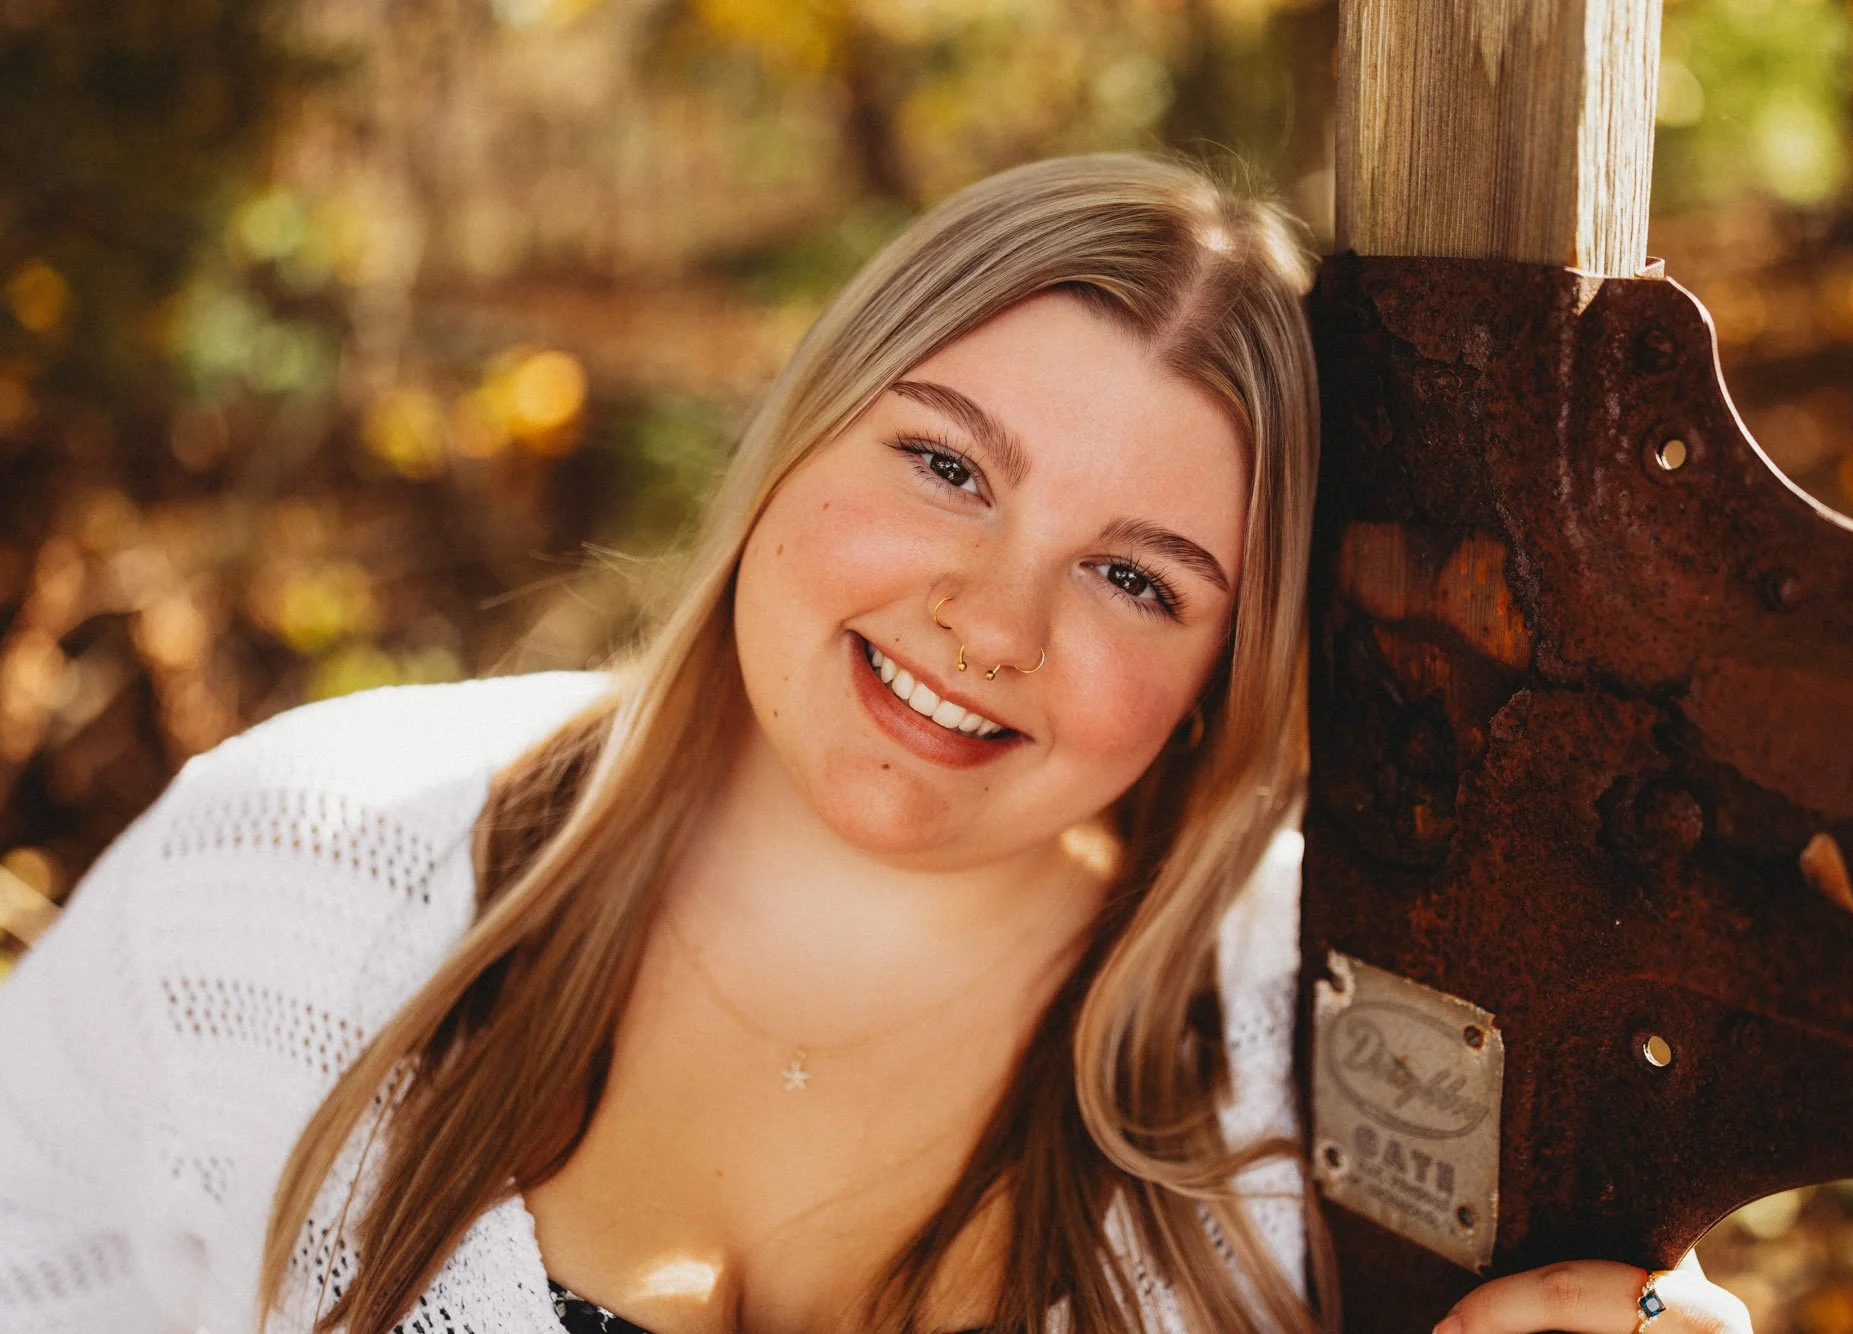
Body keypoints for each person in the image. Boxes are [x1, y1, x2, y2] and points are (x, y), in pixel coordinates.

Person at [0, 153, 1752, 1334]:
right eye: (946, 466)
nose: (994, 619)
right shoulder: (293, 867)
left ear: (1229, 671)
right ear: (794, 440)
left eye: (1137, 576)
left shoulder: (1331, 1072)